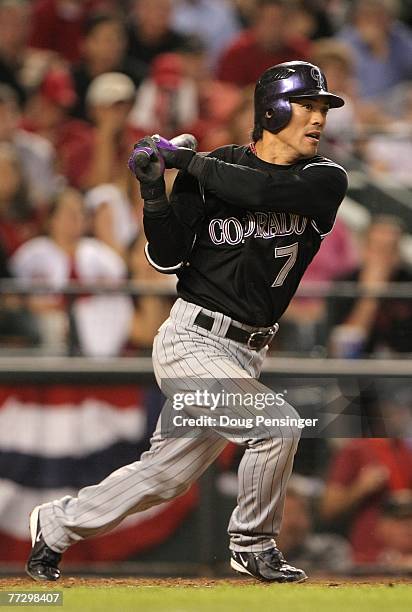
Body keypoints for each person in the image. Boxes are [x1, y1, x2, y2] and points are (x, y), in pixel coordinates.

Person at [26, 60, 348, 583]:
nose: (318, 118)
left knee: (165, 476)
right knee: (277, 425)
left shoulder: (323, 178)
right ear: (274, 109)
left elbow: (263, 192)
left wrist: (185, 160)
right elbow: (168, 255)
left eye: (322, 109)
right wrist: (155, 191)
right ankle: (253, 541)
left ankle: (56, 525)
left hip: (246, 350)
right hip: (192, 340)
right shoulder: (216, 165)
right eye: (307, 106)